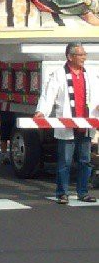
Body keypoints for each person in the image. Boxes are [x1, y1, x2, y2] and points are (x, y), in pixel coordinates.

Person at [35, 43, 98, 204]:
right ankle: (62, 193)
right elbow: (48, 95)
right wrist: (42, 112)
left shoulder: (89, 75)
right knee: (65, 161)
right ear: (70, 57)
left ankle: (83, 192)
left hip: (85, 124)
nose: (84, 57)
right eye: (81, 54)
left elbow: (96, 97)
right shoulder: (58, 74)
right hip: (66, 124)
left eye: (85, 54)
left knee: (85, 160)